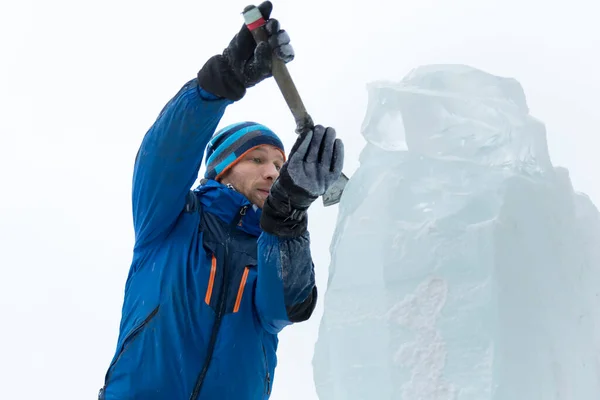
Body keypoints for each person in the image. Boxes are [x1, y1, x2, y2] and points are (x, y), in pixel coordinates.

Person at [98, 2, 344, 399]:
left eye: (281, 167)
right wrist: (220, 82)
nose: (272, 173)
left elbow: (288, 305)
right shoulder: (171, 220)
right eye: (258, 159)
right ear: (222, 168)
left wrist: (289, 213)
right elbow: (164, 154)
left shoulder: (271, 246)